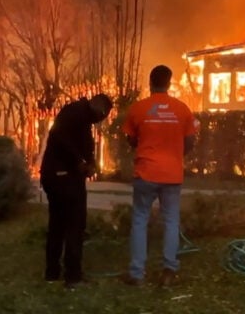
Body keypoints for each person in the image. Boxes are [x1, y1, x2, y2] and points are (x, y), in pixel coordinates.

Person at [121, 65, 196, 287]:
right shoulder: (182, 109)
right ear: (169, 83)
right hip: (172, 174)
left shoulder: (138, 108)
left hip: (146, 172)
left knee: (140, 220)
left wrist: (143, 144)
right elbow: (191, 141)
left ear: (150, 83)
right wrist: (174, 154)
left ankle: (136, 274)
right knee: (171, 221)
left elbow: (131, 138)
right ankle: (169, 272)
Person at [40, 93, 113, 289]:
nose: (99, 122)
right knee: (75, 224)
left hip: (53, 175)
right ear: (101, 110)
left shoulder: (79, 115)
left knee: (57, 224)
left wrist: (90, 162)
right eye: (102, 117)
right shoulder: (76, 114)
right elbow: (59, 137)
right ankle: (73, 277)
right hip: (64, 176)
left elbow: (83, 144)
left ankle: (52, 272)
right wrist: (78, 162)